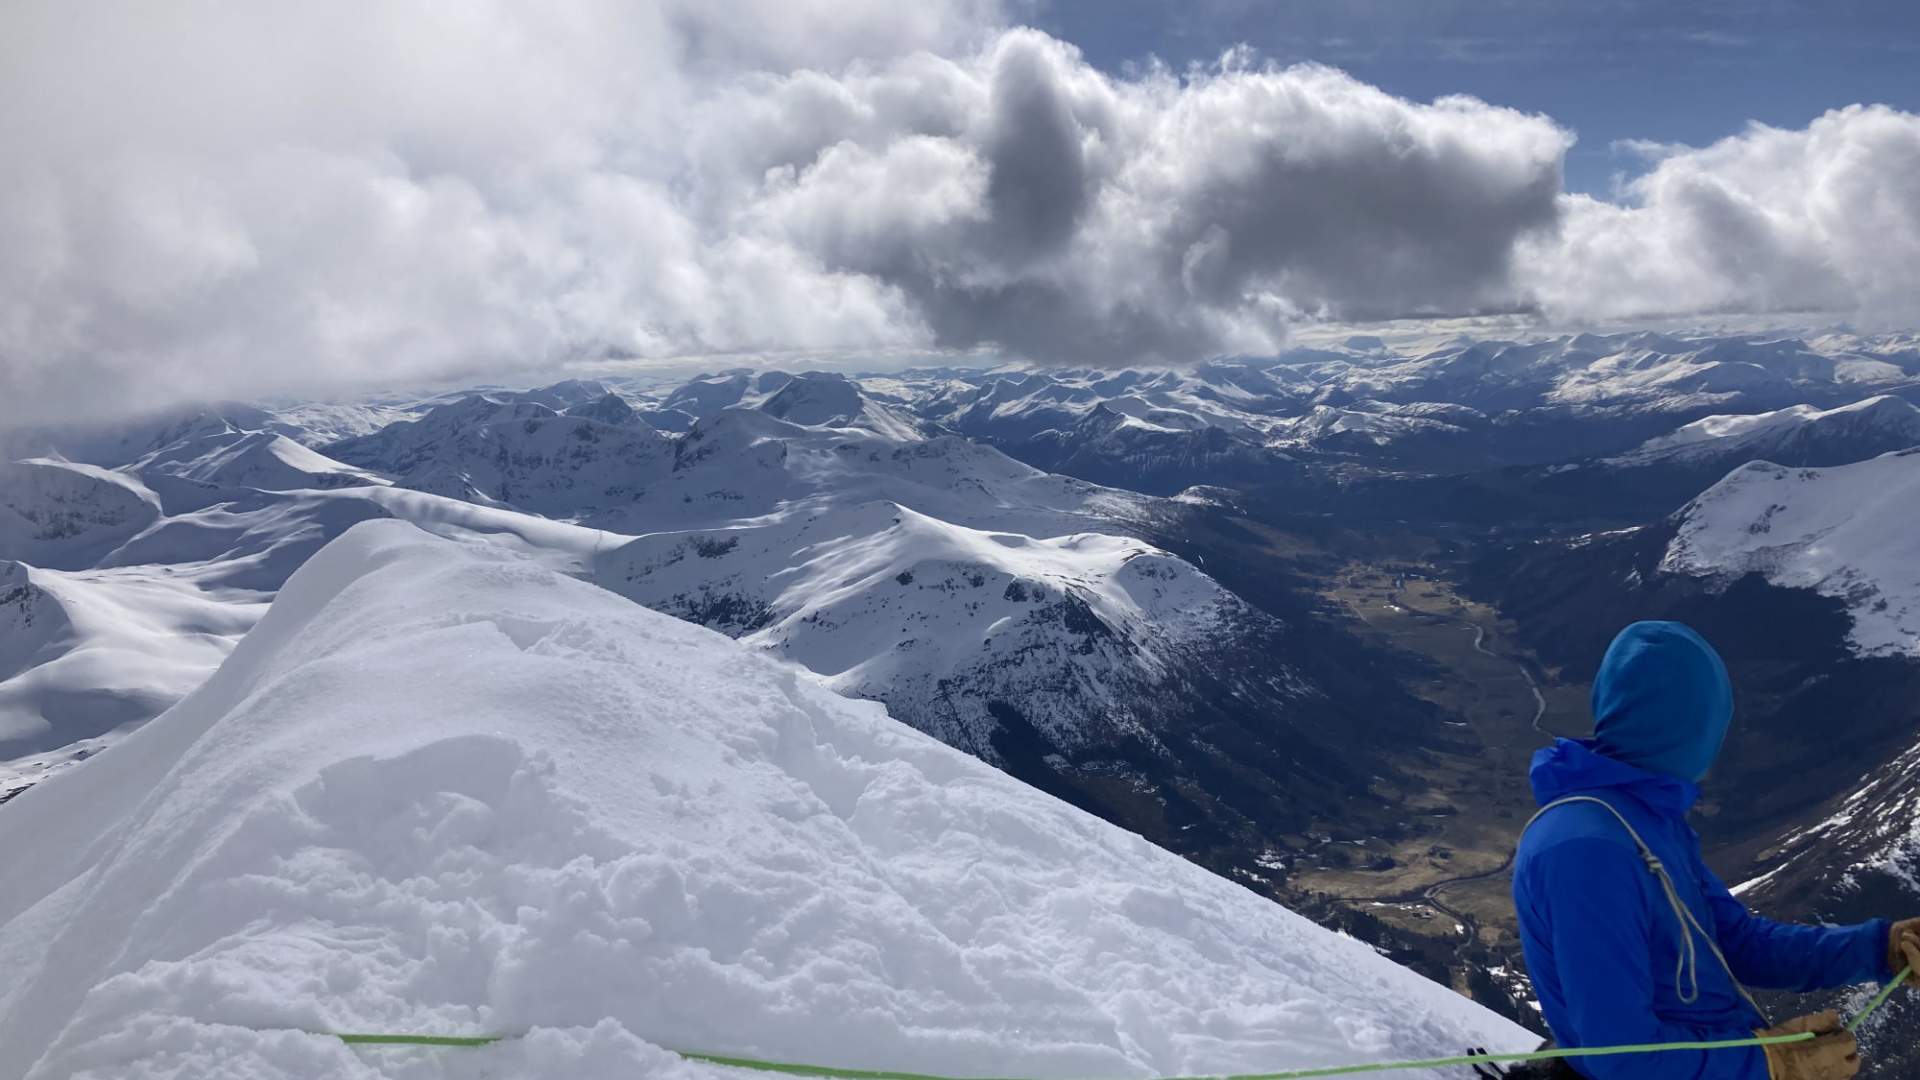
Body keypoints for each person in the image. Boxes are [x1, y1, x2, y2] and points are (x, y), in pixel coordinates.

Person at [1512, 621, 1920, 1080]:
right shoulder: (1589, 851)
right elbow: (1622, 1054)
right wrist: (1769, 1066)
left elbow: (1738, 944)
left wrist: (1876, 948)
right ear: (1687, 728)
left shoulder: (1644, 822)